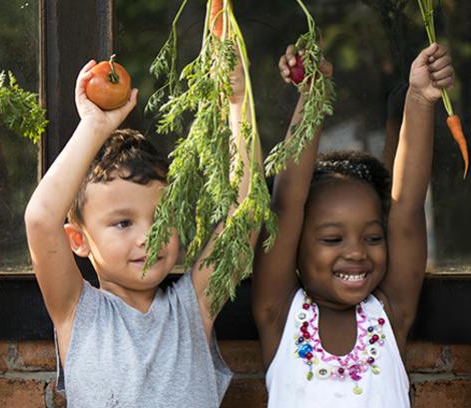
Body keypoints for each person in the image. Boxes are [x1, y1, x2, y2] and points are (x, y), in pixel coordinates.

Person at [25, 59, 254, 406]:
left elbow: (245, 216)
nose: (149, 236)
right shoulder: (78, 311)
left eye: (162, 217)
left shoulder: (193, 309)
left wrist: (239, 101)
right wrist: (94, 126)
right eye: (123, 223)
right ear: (79, 240)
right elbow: (41, 218)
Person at [253, 44, 452, 407]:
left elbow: (406, 209)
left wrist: (421, 99)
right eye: (332, 238)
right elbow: (286, 204)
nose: (357, 251)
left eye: (373, 237)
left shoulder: (390, 315)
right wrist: (312, 95)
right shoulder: (280, 314)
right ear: (296, 244)